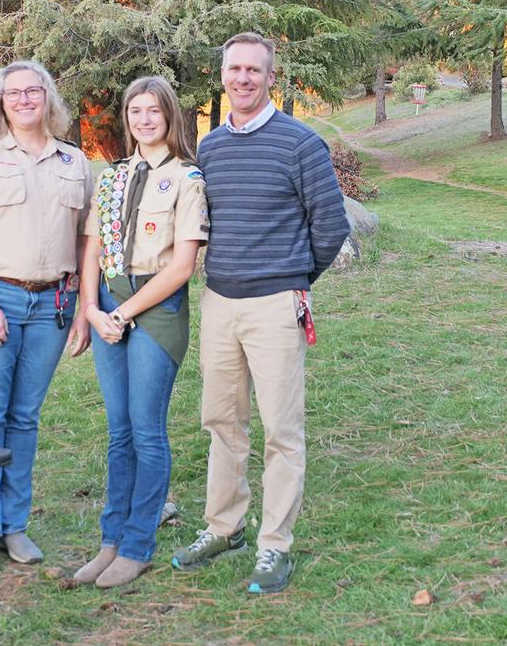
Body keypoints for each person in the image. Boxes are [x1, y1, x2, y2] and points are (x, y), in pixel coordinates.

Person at [172, 32, 350, 594]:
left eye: (254, 70)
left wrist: (293, 278)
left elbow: (331, 225)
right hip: (220, 303)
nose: (243, 78)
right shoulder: (211, 148)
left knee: (281, 429)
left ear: (272, 78)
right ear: (222, 75)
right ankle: (224, 527)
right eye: (234, 69)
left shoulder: (301, 144)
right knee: (222, 423)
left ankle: (275, 544)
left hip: (276, 304)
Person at [0, 60, 92, 575]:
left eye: (33, 91)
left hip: (52, 304)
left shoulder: (74, 161)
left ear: (48, 98)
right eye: (13, 94)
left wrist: (83, 308)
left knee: (25, 417)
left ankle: (14, 526)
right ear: (0, 104)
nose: (24, 100)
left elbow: (86, 240)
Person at [71, 76, 208, 589]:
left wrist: (123, 313)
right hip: (108, 306)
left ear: (169, 116)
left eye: (154, 110)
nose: (144, 119)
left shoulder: (187, 178)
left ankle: (137, 546)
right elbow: (92, 248)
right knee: (119, 432)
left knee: (147, 431)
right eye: (135, 111)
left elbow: (182, 267)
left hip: (154, 309)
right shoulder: (112, 178)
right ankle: (110, 541)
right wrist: (91, 308)